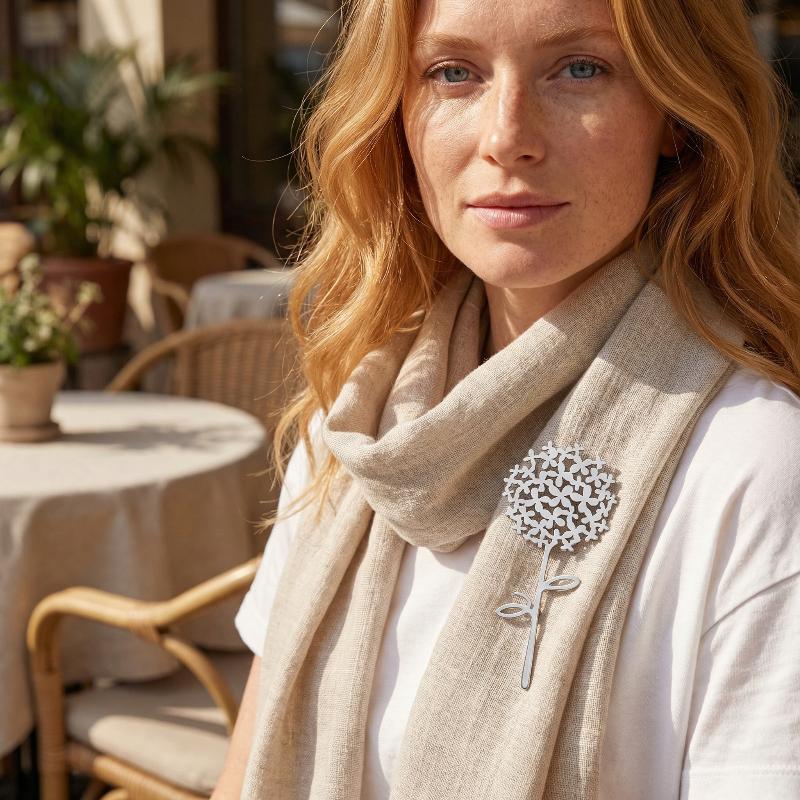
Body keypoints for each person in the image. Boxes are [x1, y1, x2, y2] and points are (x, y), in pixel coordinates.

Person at [213, 0, 800, 797]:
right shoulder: (357, 426)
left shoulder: (754, 469)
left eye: (581, 69)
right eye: (453, 73)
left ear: (675, 111)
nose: (507, 137)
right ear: (397, 116)